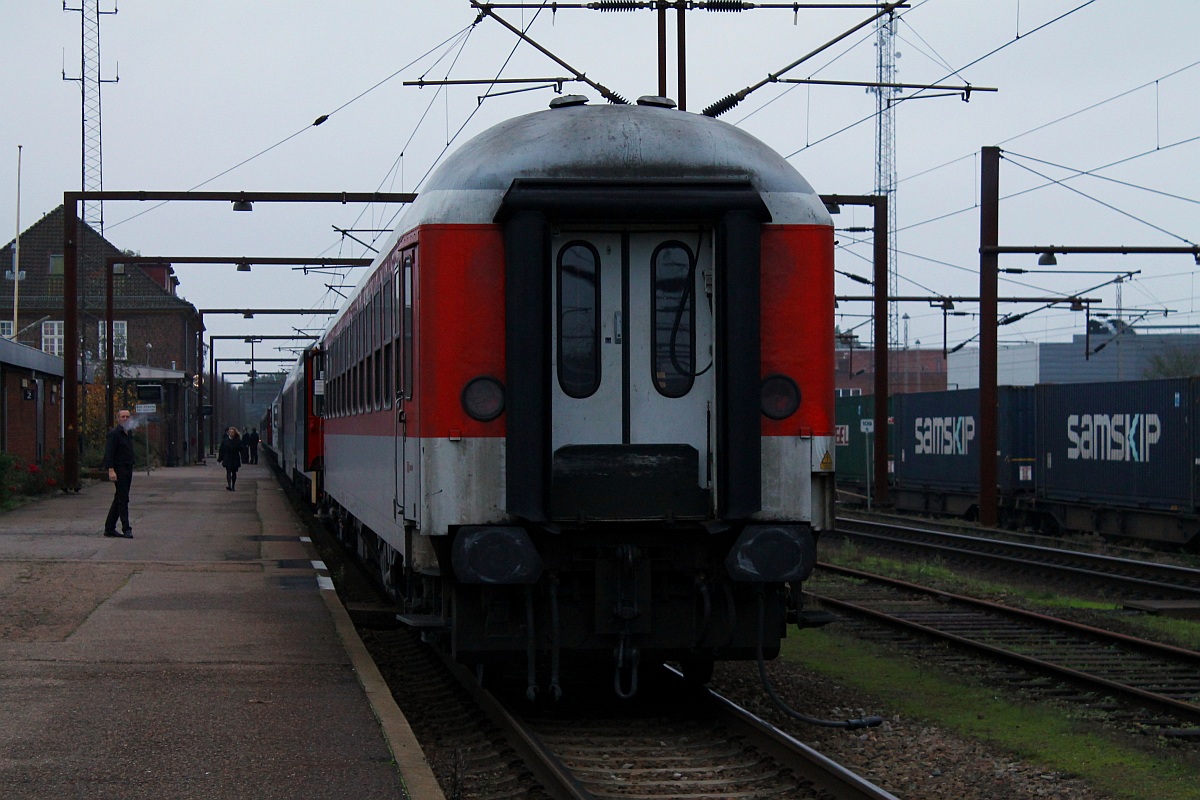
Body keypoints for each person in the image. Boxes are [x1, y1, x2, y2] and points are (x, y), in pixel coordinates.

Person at [102, 409, 136, 538]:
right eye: (123, 416)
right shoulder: (114, 434)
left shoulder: (128, 433)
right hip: (119, 469)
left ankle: (109, 528)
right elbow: (109, 453)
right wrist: (110, 470)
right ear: (118, 419)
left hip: (128, 468)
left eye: (127, 416)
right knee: (123, 499)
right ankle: (126, 528)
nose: (125, 419)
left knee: (119, 498)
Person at [218, 427, 243, 491]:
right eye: (230, 432)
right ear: (228, 433)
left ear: (235, 433)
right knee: (228, 471)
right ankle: (229, 485)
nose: (231, 433)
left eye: (232, 432)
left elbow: (241, 449)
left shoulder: (238, 441)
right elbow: (222, 450)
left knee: (234, 472)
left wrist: (243, 458)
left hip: (235, 458)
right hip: (227, 458)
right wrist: (220, 459)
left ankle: (233, 485)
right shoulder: (225, 441)